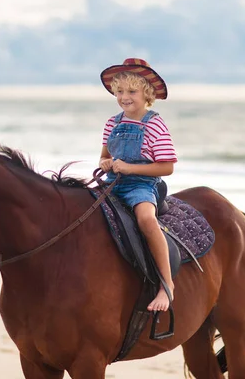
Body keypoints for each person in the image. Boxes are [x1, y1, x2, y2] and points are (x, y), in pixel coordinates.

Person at [98, 58, 177, 312]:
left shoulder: (154, 124)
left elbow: (167, 167)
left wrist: (131, 168)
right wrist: (105, 163)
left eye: (131, 91)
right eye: (119, 91)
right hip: (113, 182)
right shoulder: (113, 122)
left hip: (141, 185)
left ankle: (166, 285)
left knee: (146, 219)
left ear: (147, 94)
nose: (124, 97)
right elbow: (104, 155)